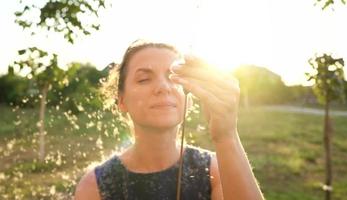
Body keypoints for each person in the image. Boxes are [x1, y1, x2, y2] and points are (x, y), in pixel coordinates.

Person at [74, 40, 264, 200]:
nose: (164, 87)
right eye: (144, 79)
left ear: (188, 100)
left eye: (174, 78)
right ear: (121, 101)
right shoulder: (95, 186)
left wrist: (226, 136)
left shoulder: (216, 170)